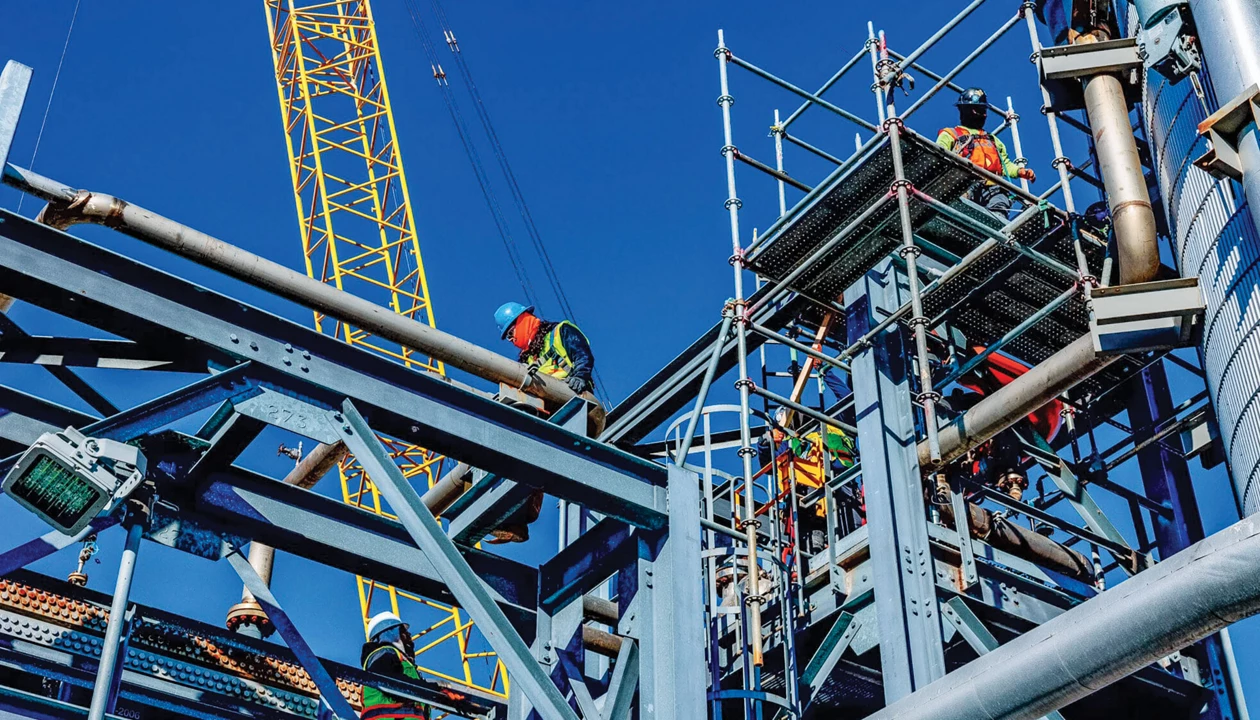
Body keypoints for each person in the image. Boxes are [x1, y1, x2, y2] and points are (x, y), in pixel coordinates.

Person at [490, 302, 597, 543]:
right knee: (529, 458)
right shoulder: (527, 358)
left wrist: (580, 376)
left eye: (510, 333)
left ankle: (517, 519)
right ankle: (516, 521)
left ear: (522, 319)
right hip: (546, 412)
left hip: (572, 407)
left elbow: (582, 353)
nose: (510, 339)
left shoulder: (560, 332)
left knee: (533, 450)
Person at [936, 88, 1037, 220]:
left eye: (984, 111)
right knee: (962, 213)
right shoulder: (951, 134)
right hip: (964, 183)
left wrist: (1020, 171)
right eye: (979, 110)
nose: (984, 115)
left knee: (999, 216)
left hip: (994, 188)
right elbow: (938, 155)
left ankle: (996, 238)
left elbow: (1005, 165)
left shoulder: (993, 140)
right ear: (966, 110)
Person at [770, 407, 857, 555]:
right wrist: (765, 442)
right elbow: (769, 462)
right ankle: (814, 551)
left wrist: (824, 381)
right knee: (809, 532)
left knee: (851, 538)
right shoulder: (790, 442)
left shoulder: (835, 424)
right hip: (809, 501)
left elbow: (846, 396)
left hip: (841, 486)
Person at [360, 612, 431, 720]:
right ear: (392, 633)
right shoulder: (383, 654)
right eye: (404, 633)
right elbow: (389, 681)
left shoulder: (398, 660)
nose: (409, 637)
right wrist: (433, 690)